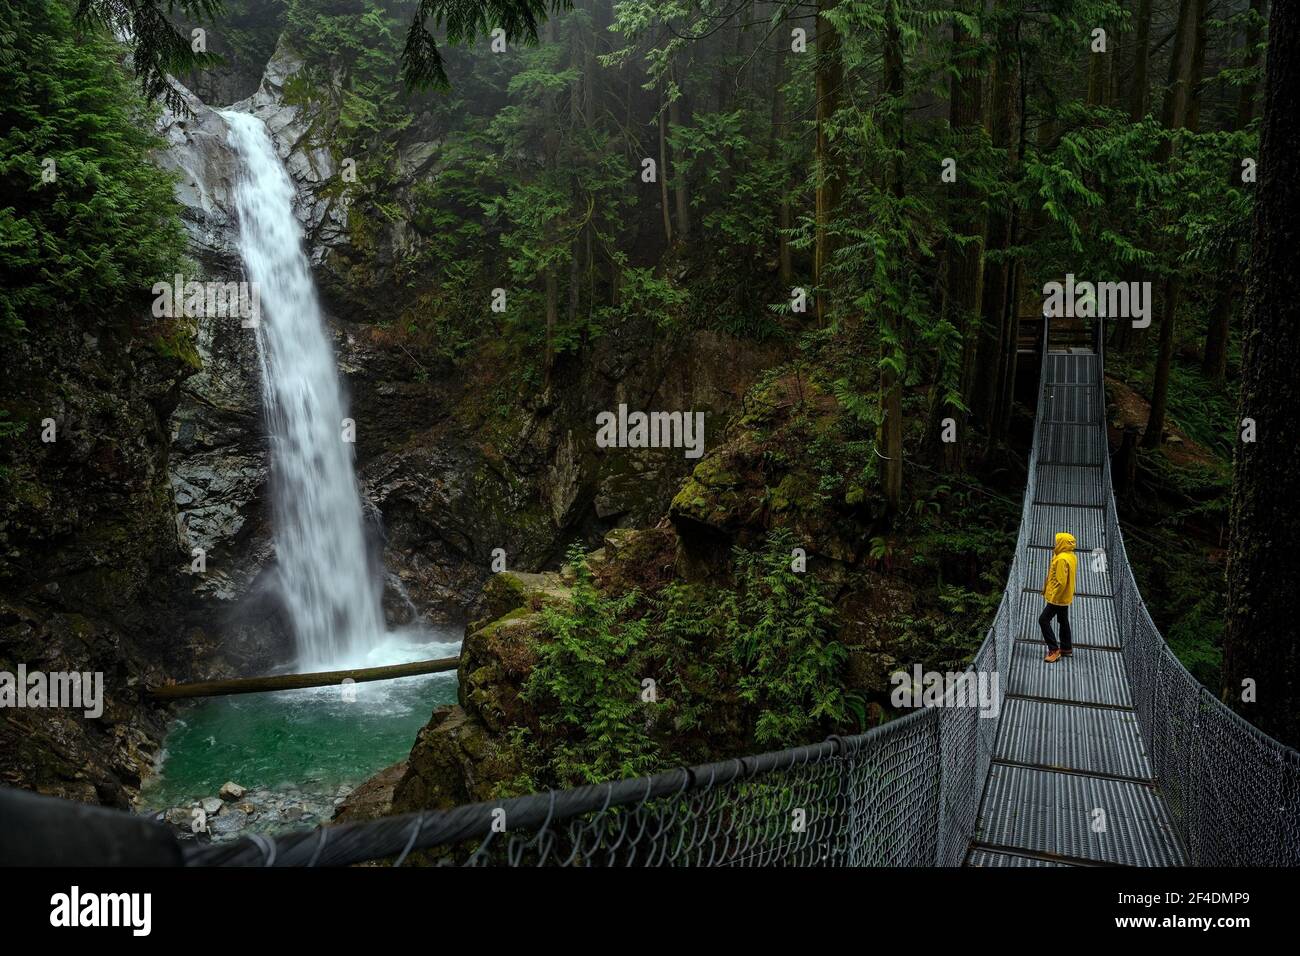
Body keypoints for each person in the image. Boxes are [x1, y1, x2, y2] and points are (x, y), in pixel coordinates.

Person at [1040, 531, 1077, 663]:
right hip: (1065, 596)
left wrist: (1053, 597)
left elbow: (1060, 581)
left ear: (1062, 543)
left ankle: (1054, 650)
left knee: (1043, 620)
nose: (1055, 543)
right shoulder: (1071, 556)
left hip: (1058, 597)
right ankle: (1066, 648)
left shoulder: (1061, 559)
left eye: (1057, 541)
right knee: (1063, 620)